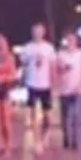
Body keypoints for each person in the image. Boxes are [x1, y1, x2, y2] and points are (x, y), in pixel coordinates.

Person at [20, 23, 58, 152]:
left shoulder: (49, 48)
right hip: (32, 84)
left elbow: (53, 66)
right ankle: (37, 142)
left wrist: (54, 82)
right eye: (35, 31)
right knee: (33, 115)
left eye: (40, 31)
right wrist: (23, 80)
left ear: (43, 33)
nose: (37, 34)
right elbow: (24, 65)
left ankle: (45, 136)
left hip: (45, 85)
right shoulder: (27, 48)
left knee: (48, 116)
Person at [56, 30, 81, 151]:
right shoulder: (61, 54)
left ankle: (75, 141)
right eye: (68, 39)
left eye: (72, 39)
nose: (70, 42)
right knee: (65, 117)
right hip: (64, 90)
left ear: (76, 41)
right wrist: (63, 69)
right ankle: (66, 138)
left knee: (76, 115)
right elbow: (57, 70)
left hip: (77, 90)